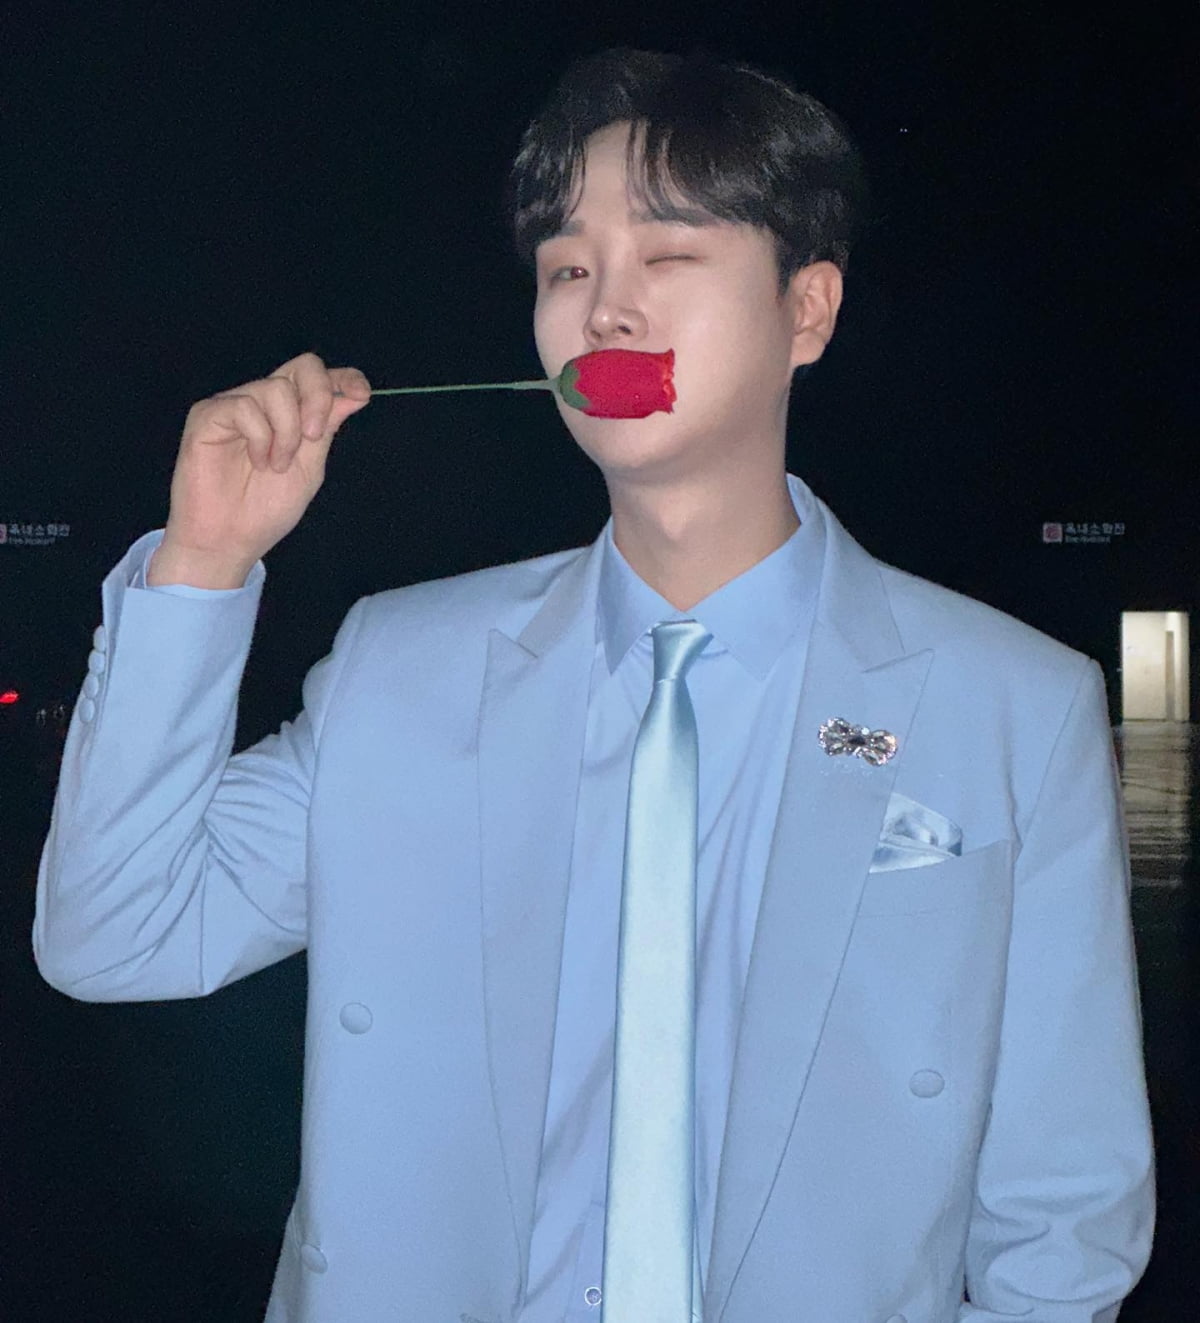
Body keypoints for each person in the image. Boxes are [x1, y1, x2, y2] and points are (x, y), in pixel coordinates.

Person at [35, 46, 1153, 1323]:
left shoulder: (1013, 706)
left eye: (668, 255)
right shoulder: (401, 671)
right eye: (569, 268)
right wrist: (201, 564)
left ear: (808, 311)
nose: (605, 310)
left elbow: (1063, 1209)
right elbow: (115, 933)